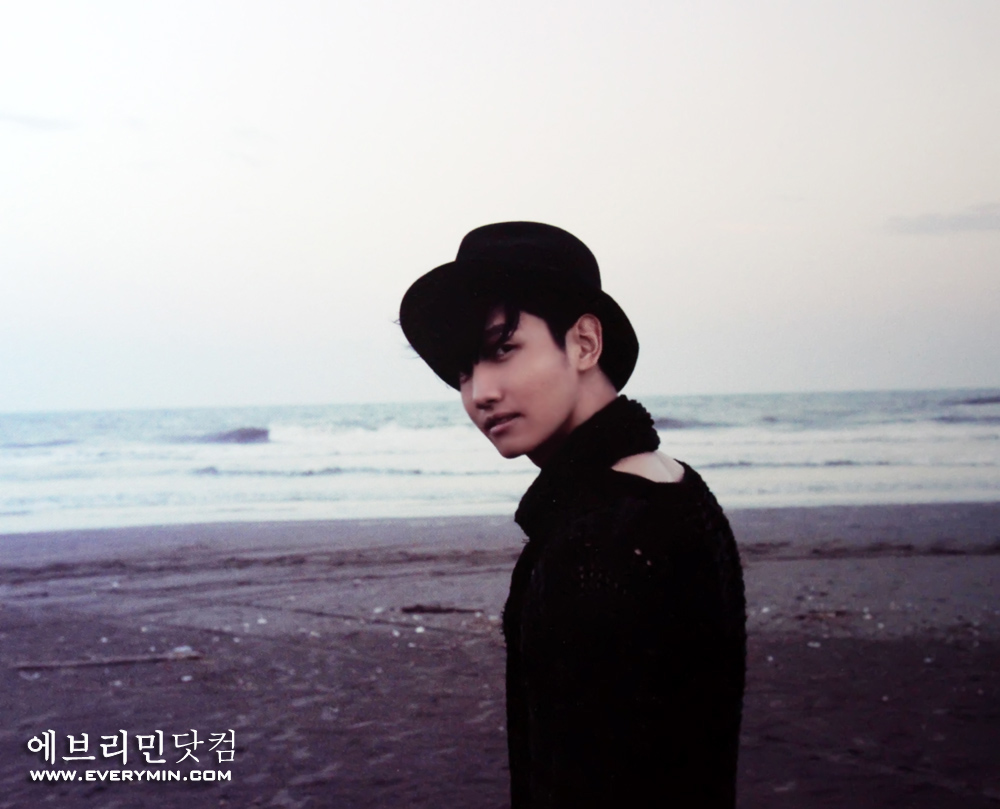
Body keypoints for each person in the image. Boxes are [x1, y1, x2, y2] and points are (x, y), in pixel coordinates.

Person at [399, 222, 746, 808]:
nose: (480, 393)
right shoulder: (675, 485)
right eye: (463, 371)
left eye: (502, 349)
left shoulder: (600, 537)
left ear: (584, 343)